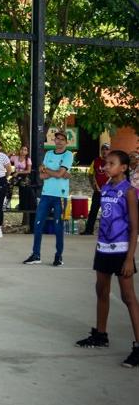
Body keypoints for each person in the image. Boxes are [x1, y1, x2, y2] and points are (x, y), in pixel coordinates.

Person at [75, 150, 139, 368]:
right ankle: (100, 334)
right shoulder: (105, 189)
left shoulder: (129, 192)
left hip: (121, 250)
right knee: (101, 291)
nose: (105, 167)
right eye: (105, 163)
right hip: (103, 248)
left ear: (123, 168)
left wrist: (130, 258)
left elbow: (134, 227)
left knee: (128, 297)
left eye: (111, 164)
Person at [23, 130, 73, 266]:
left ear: (66, 142)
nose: (59, 141)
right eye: (57, 139)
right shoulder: (49, 154)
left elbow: (58, 173)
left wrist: (50, 171)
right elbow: (42, 176)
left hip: (60, 196)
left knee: (58, 227)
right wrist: (56, 173)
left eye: (62, 139)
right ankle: (36, 255)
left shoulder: (68, 155)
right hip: (46, 194)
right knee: (38, 224)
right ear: (54, 140)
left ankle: (58, 256)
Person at [81, 143, 111, 235]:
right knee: (93, 212)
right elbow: (90, 174)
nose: (104, 151)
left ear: (110, 151)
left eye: (107, 149)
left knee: (108, 213)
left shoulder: (112, 162)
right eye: (103, 149)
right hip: (97, 192)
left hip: (109, 192)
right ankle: (88, 230)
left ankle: (108, 232)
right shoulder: (96, 161)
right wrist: (93, 186)